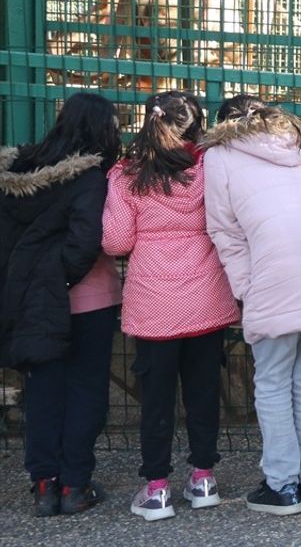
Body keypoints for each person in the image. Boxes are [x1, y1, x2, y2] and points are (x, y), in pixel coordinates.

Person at [202, 95, 301, 514]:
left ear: (222, 126)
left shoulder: (219, 156)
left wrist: (247, 288)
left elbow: (224, 229)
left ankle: (281, 486)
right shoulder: (292, 150)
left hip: (279, 271)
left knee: (272, 382)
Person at [103, 91, 239, 521]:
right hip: (206, 299)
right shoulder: (210, 169)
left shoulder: (126, 175)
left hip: (154, 304)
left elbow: (116, 241)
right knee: (203, 393)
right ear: (198, 127)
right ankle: (203, 479)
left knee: (157, 400)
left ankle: (156, 488)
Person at [0, 92, 122, 516]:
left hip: (28, 302)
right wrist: (61, 280)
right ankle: (74, 486)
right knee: (86, 389)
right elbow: (86, 241)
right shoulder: (91, 176)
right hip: (88, 300)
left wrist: (32, 285)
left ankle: (43, 484)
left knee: (42, 390)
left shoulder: (15, 173)